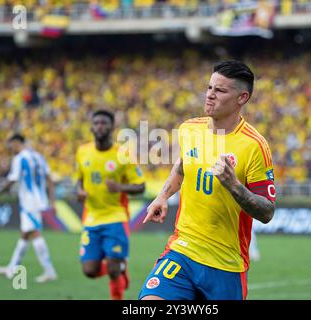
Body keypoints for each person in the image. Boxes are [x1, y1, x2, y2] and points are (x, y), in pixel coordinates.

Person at [139, 60, 276, 300]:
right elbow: (182, 167)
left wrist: (234, 185)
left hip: (226, 264)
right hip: (183, 249)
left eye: (220, 90)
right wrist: (163, 195)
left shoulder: (254, 145)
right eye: (209, 87)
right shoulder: (190, 129)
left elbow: (266, 212)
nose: (210, 95)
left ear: (241, 98)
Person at [76, 110, 145, 300]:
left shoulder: (123, 154)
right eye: (96, 122)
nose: (100, 126)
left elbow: (141, 186)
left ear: (112, 127)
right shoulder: (83, 151)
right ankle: (122, 268)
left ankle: (118, 273)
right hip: (91, 217)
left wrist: (120, 187)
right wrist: (79, 191)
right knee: (89, 270)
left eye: (104, 123)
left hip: (116, 216)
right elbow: (79, 179)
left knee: (112, 270)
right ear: (91, 127)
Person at [0, 134, 58, 283]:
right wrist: (52, 201)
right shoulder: (38, 156)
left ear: (17, 143)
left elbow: (11, 181)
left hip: (29, 202)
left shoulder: (19, 159)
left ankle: (49, 271)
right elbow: (49, 179)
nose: (10, 149)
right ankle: (12, 268)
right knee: (25, 234)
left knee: (35, 233)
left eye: (10, 145)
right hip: (39, 200)